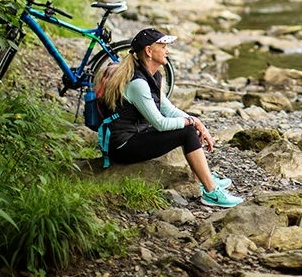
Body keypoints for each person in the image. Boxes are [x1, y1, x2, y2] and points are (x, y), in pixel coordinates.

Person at [97, 27, 243, 208]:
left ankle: (203, 177)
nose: (168, 51)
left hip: (136, 134)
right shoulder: (138, 83)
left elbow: (169, 109)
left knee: (189, 126)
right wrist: (190, 122)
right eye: (163, 46)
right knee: (186, 131)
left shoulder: (153, 75)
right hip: (122, 145)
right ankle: (211, 192)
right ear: (149, 51)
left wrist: (197, 121)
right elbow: (160, 123)